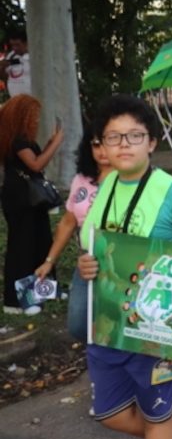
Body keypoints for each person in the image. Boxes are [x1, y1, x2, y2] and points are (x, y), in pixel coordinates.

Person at [77, 94, 172, 439]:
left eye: (134, 135)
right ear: (100, 145)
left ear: (151, 142)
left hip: (159, 332)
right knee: (110, 413)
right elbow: (97, 250)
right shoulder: (105, 187)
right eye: (113, 137)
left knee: (156, 416)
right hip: (107, 324)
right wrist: (87, 265)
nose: (123, 144)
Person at [35, 124, 112, 339]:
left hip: (120, 263)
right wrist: (50, 260)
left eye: (107, 143)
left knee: (118, 323)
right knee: (79, 325)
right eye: (96, 144)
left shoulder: (130, 181)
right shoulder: (81, 180)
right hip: (87, 261)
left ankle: (108, 365)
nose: (102, 150)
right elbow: (68, 222)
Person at [0, 94, 63, 314]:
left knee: (41, 240)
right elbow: (35, 165)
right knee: (23, 246)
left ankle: (44, 290)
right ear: (22, 116)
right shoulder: (16, 139)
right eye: (33, 115)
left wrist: (47, 144)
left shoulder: (24, 138)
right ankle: (18, 301)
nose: (36, 119)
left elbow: (35, 159)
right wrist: (56, 144)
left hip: (33, 198)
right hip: (19, 198)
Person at [1, 29, 30, 96]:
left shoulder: (35, 56)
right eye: (12, 45)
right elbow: (5, 77)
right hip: (15, 98)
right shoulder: (11, 55)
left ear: (26, 43)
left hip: (31, 99)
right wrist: (3, 67)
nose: (14, 48)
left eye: (17, 45)